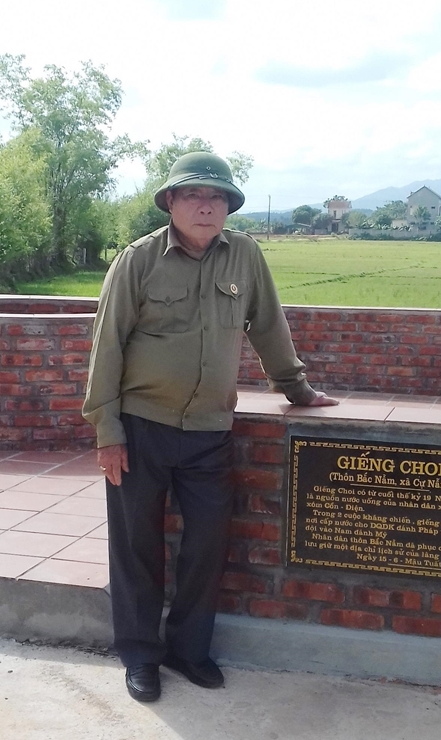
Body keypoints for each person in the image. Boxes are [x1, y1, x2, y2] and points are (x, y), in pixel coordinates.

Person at [82, 151, 337, 702]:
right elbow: (107, 347)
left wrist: (298, 389)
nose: (206, 205)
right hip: (141, 427)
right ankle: (140, 655)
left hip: (209, 430)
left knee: (206, 545)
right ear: (171, 201)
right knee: (136, 546)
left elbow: (268, 326)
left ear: (228, 206)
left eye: (216, 196)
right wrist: (107, 431)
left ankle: (188, 649)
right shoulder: (137, 261)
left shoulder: (245, 255)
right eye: (194, 194)